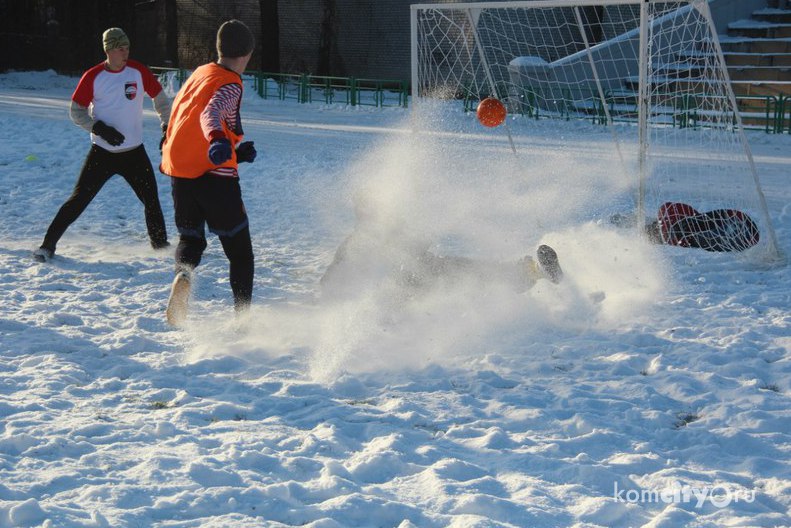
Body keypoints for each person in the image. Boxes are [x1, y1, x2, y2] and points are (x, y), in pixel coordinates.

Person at [33, 27, 170, 262]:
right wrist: (99, 128)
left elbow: (161, 99)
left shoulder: (138, 71)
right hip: (102, 153)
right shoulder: (94, 76)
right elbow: (76, 111)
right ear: (109, 50)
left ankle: (161, 247)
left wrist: (167, 126)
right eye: (120, 48)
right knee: (78, 200)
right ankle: (47, 246)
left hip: (134, 153)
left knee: (152, 200)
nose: (126, 52)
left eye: (127, 47)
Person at [160, 20, 258, 326]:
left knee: (191, 240)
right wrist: (218, 139)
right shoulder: (230, 82)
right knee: (240, 254)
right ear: (247, 54)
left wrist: (233, 151)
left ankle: (184, 275)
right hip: (215, 178)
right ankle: (242, 318)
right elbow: (211, 113)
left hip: (182, 174)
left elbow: (183, 118)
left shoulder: (200, 74)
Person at [320, 194, 563, 298]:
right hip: (402, 293)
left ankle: (534, 272)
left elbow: (417, 245)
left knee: (470, 270)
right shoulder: (356, 243)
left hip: (427, 272)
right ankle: (527, 274)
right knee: (469, 276)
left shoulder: (392, 227)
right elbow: (330, 281)